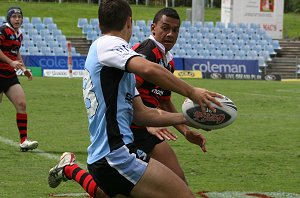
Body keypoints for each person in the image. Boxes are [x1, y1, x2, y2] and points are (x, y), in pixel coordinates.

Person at [48, 1, 222, 197]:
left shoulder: (118, 66)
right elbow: (148, 68)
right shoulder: (109, 44)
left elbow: (142, 114)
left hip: (108, 157)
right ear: (129, 22)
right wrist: (192, 92)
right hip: (117, 156)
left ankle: (70, 168)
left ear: (99, 24)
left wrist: (187, 118)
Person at [131, 7, 208, 183]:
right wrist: (146, 121)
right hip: (133, 128)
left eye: (175, 30)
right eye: (165, 28)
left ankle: (70, 169)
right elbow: (125, 91)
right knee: (176, 183)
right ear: (153, 28)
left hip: (144, 127)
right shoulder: (147, 52)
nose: (170, 34)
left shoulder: (168, 60)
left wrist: (186, 132)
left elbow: (165, 102)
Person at [0, 7, 38, 152]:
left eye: (19, 17)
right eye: (14, 16)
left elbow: (16, 53)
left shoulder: (19, 35)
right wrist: (10, 62)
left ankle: (23, 141)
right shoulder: (3, 30)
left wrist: (23, 68)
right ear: (9, 18)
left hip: (9, 75)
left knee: (21, 103)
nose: (17, 19)